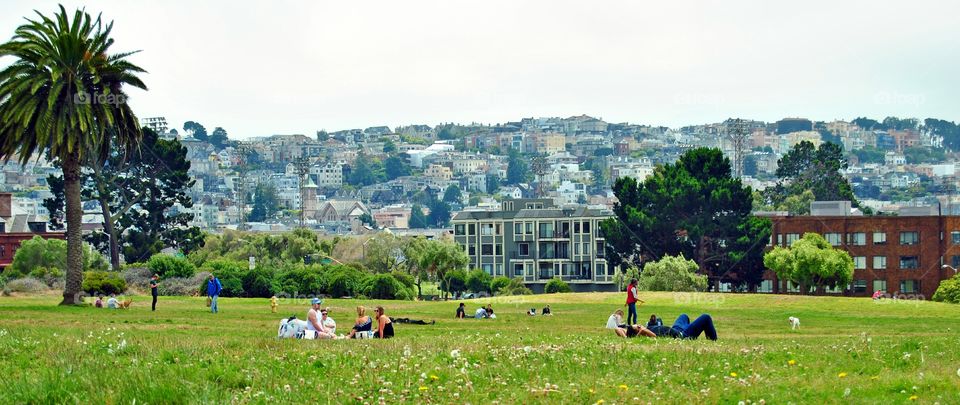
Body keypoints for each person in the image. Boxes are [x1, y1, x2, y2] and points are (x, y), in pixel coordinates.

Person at [648, 313, 718, 340]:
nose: (638, 326)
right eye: (637, 327)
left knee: (684, 316)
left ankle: (689, 329)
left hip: (675, 329)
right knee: (706, 317)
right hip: (680, 335)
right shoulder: (642, 331)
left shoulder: (646, 327)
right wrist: (642, 330)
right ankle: (713, 340)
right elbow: (654, 335)